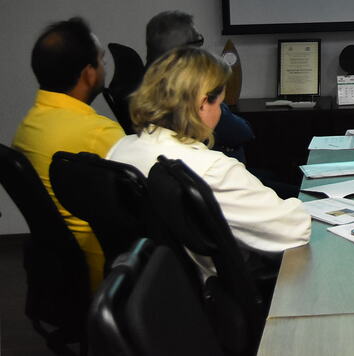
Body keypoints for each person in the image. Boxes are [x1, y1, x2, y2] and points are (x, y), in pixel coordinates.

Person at [107, 46, 310, 274]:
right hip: (218, 290)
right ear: (203, 103)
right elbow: (294, 229)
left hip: (155, 289)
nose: (221, 113)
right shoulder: (212, 169)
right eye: (220, 104)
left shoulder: (119, 150)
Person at [12, 17, 126, 289]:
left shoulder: (28, 125)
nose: (104, 66)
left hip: (59, 274)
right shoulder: (99, 133)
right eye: (102, 60)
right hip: (107, 271)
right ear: (89, 73)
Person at [144, 10, 253, 161]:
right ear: (185, 50)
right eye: (198, 41)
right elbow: (242, 132)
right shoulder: (190, 89)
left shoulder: (144, 88)